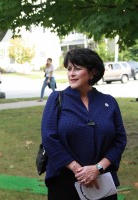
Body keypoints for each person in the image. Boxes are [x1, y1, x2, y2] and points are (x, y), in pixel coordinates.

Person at [41, 48, 127, 200]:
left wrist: (97, 168)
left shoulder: (109, 102)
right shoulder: (56, 99)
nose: (71, 73)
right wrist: (78, 169)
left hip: (102, 181)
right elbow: (49, 139)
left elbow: (119, 140)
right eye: (69, 69)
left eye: (77, 69)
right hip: (64, 181)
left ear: (92, 72)